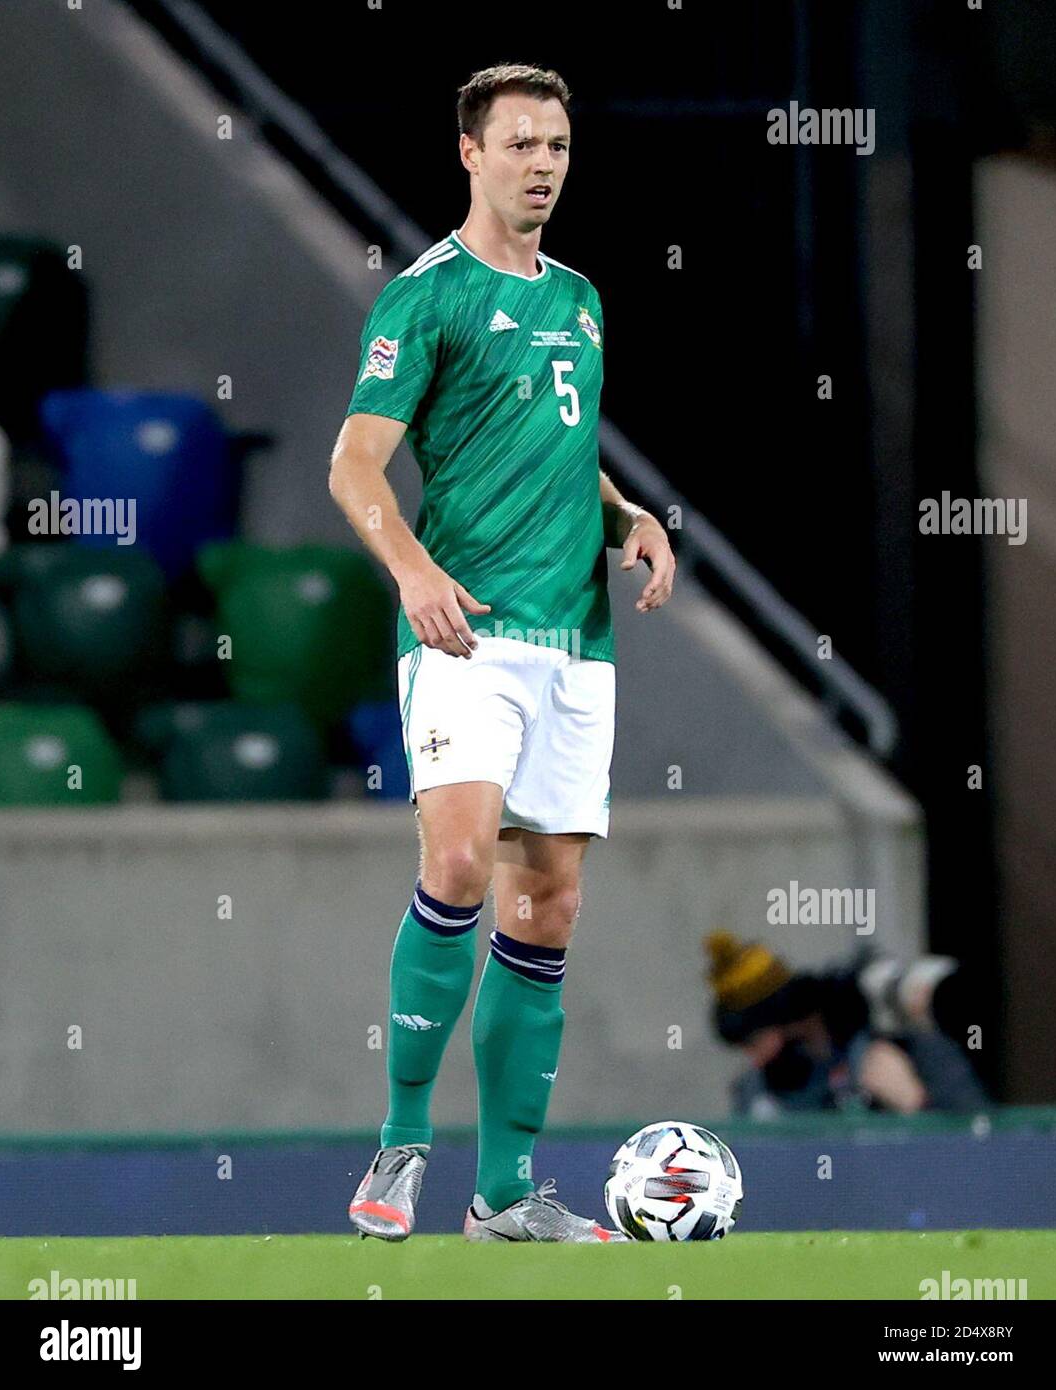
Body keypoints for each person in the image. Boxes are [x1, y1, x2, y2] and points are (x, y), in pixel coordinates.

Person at [328, 64, 676, 1242]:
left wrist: (627, 516)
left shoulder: (577, 298)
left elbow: (564, 447)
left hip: (572, 641)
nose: (543, 163)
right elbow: (353, 466)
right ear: (469, 152)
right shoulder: (423, 298)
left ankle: (505, 1195)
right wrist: (414, 573)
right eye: (521, 142)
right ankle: (400, 1145)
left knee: (546, 906)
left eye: (559, 146)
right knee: (464, 863)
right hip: (465, 631)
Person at [705, 932, 989, 1118]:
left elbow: (984, 1145)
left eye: (756, 1042)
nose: (756, 1059)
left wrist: (916, 1102)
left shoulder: (907, 1045)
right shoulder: (762, 1092)